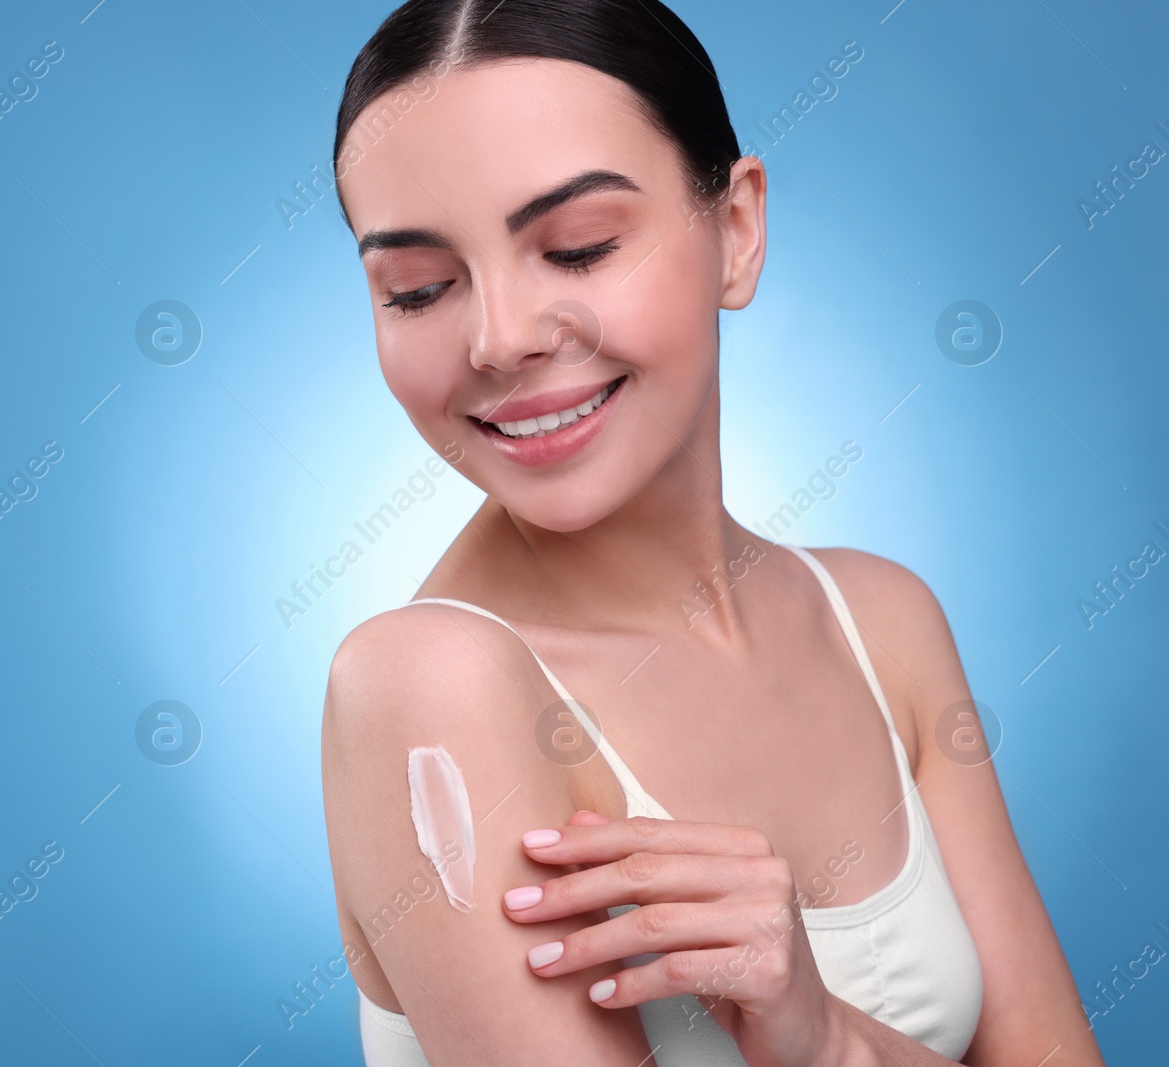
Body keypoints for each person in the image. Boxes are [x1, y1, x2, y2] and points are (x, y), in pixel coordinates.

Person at [318, 1, 1106, 1064]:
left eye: (579, 247)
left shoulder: (881, 622)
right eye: (418, 288)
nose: (498, 339)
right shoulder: (429, 688)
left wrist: (825, 1037)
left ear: (735, 231)